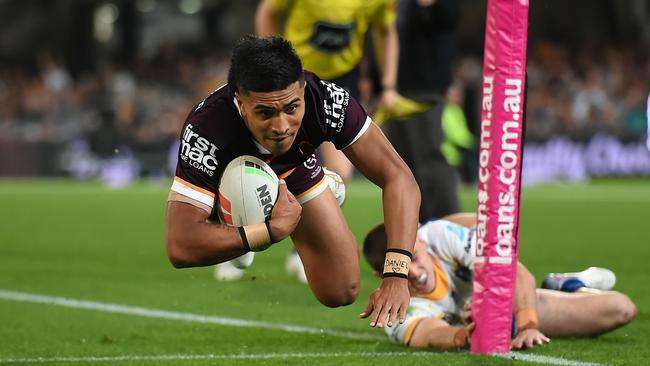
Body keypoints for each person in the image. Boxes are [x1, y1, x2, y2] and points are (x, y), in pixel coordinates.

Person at [165, 35, 420, 328]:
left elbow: (398, 177)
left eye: (291, 108)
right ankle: (240, 222)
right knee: (239, 188)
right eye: (265, 113)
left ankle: (311, 190)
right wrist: (268, 232)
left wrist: (397, 275)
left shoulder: (325, 99)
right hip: (225, 181)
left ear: (301, 90)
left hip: (294, 170)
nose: (282, 126)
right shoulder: (207, 128)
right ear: (241, 102)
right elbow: (180, 246)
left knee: (341, 291)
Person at [362, 213, 637, 348]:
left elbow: (515, 272)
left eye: (415, 258)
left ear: (420, 240)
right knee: (619, 309)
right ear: (379, 277)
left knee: (621, 308)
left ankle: (561, 284)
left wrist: (528, 324)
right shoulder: (392, 309)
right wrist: (466, 336)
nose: (417, 274)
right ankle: (561, 288)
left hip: (504, 295)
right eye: (400, 273)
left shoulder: (439, 236)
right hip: (490, 320)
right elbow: (429, 334)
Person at [255, 0, 401, 181]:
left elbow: (386, 31)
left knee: (340, 173)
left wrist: (389, 86)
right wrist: (270, 60)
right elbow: (268, 12)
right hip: (296, 75)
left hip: (343, 79)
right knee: (284, 162)